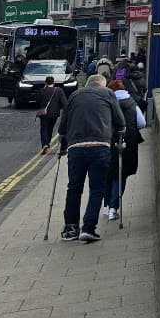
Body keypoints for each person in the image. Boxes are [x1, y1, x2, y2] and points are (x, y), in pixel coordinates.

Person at [57, 73, 123, 243]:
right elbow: (120, 122)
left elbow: (63, 126)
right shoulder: (108, 93)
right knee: (97, 189)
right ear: (102, 84)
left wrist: (63, 144)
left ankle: (70, 229)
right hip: (100, 146)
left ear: (87, 84)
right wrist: (118, 135)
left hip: (76, 148)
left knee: (74, 188)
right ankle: (88, 228)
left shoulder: (74, 95)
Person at [104, 82, 146, 219]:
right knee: (121, 175)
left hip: (109, 142)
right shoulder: (132, 103)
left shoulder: (108, 103)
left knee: (110, 174)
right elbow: (142, 123)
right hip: (129, 142)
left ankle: (107, 206)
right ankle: (113, 208)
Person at [35, 75, 62, 155]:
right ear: (54, 82)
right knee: (50, 128)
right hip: (54, 113)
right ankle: (48, 143)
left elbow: (37, 100)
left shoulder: (42, 90)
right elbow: (63, 102)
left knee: (44, 128)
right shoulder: (58, 91)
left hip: (44, 113)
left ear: (45, 82)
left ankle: (45, 144)